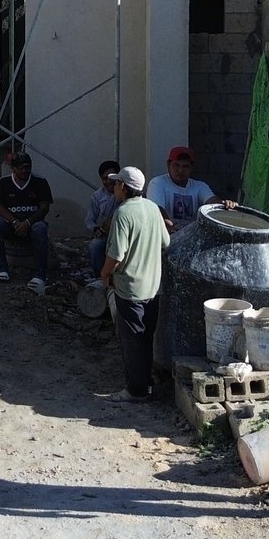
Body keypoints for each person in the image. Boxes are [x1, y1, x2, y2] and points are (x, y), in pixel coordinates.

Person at [99, 166, 170, 402]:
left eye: (117, 183)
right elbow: (165, 241)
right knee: (146, 338)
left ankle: (135, 390)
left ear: (123, 187)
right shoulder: (151, 207)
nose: (115, 187)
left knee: (132, 342)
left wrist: (105, 273)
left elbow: (117, 255)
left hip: (130, 288)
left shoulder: (123, 213)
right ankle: (146, 383)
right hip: (153, 287)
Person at [0, 153, 53, 295]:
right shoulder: (3, 183)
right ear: (13, 168)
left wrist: (28, 223)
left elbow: (44, 208)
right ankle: (2, 269)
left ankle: (40, 274)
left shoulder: (40, 182)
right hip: (12, 223)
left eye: (27, 168)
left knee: (40, 228)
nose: (24, 171)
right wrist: (15, 222)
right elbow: (0, 208)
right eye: (21, 168)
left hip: (33, 223)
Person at [145, 146, 216, 233]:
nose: (180, 170)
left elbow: (213, 201)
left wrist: (226, 206)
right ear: (168, 165)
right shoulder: (157, 183)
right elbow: (157, 210)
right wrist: (170, 227)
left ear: (191, 168)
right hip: (166, 236)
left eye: (185, 166)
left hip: (191, 236)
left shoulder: (200, 186)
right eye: (176, 165)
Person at [84, 159, 122, 283]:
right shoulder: (97, 196)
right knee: (94, 246)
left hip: (127, 234)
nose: (108, 182)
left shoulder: (127, 190)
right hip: (107, 235)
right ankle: (101, 280)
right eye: (104, 179)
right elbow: (89, 220)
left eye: (111, 178)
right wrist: (95, 229)